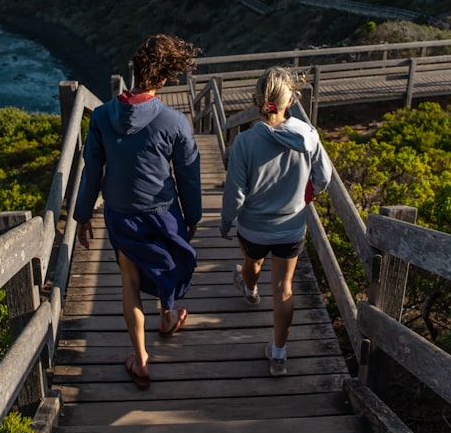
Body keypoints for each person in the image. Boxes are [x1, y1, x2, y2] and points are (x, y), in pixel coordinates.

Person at [74, 33, 202, 390]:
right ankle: (168, 317)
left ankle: (141, 360)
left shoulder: (101, 117)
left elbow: (92, 170)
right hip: (163, 212)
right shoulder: (175, 122)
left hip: (120, 213)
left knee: (129, 282)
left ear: (135, 69)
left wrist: (82, 215)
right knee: (166, 264)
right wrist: (193, 216)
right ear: (163, 78)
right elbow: (188, 175)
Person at [220, 66, 332, 377]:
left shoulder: (244, 142)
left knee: (252, 261)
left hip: (254, 226)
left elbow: (236, 192)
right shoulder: (308, 136)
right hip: (291, 226)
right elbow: (323, 178)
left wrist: (226, 220)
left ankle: (250, 291)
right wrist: (304, 195)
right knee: (284, 288)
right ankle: (279, 353)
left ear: (257, 101)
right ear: (290, 100)